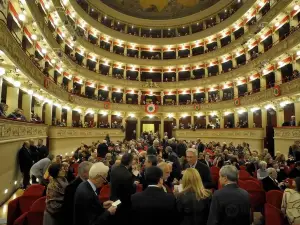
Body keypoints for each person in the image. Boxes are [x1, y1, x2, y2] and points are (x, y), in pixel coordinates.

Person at [110, 153, 136, 225]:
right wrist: (134, 185)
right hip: (124, 203)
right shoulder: (127, 175)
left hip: (114, 199)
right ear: (130, 162)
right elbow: (131, 191)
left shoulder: (114, 169)